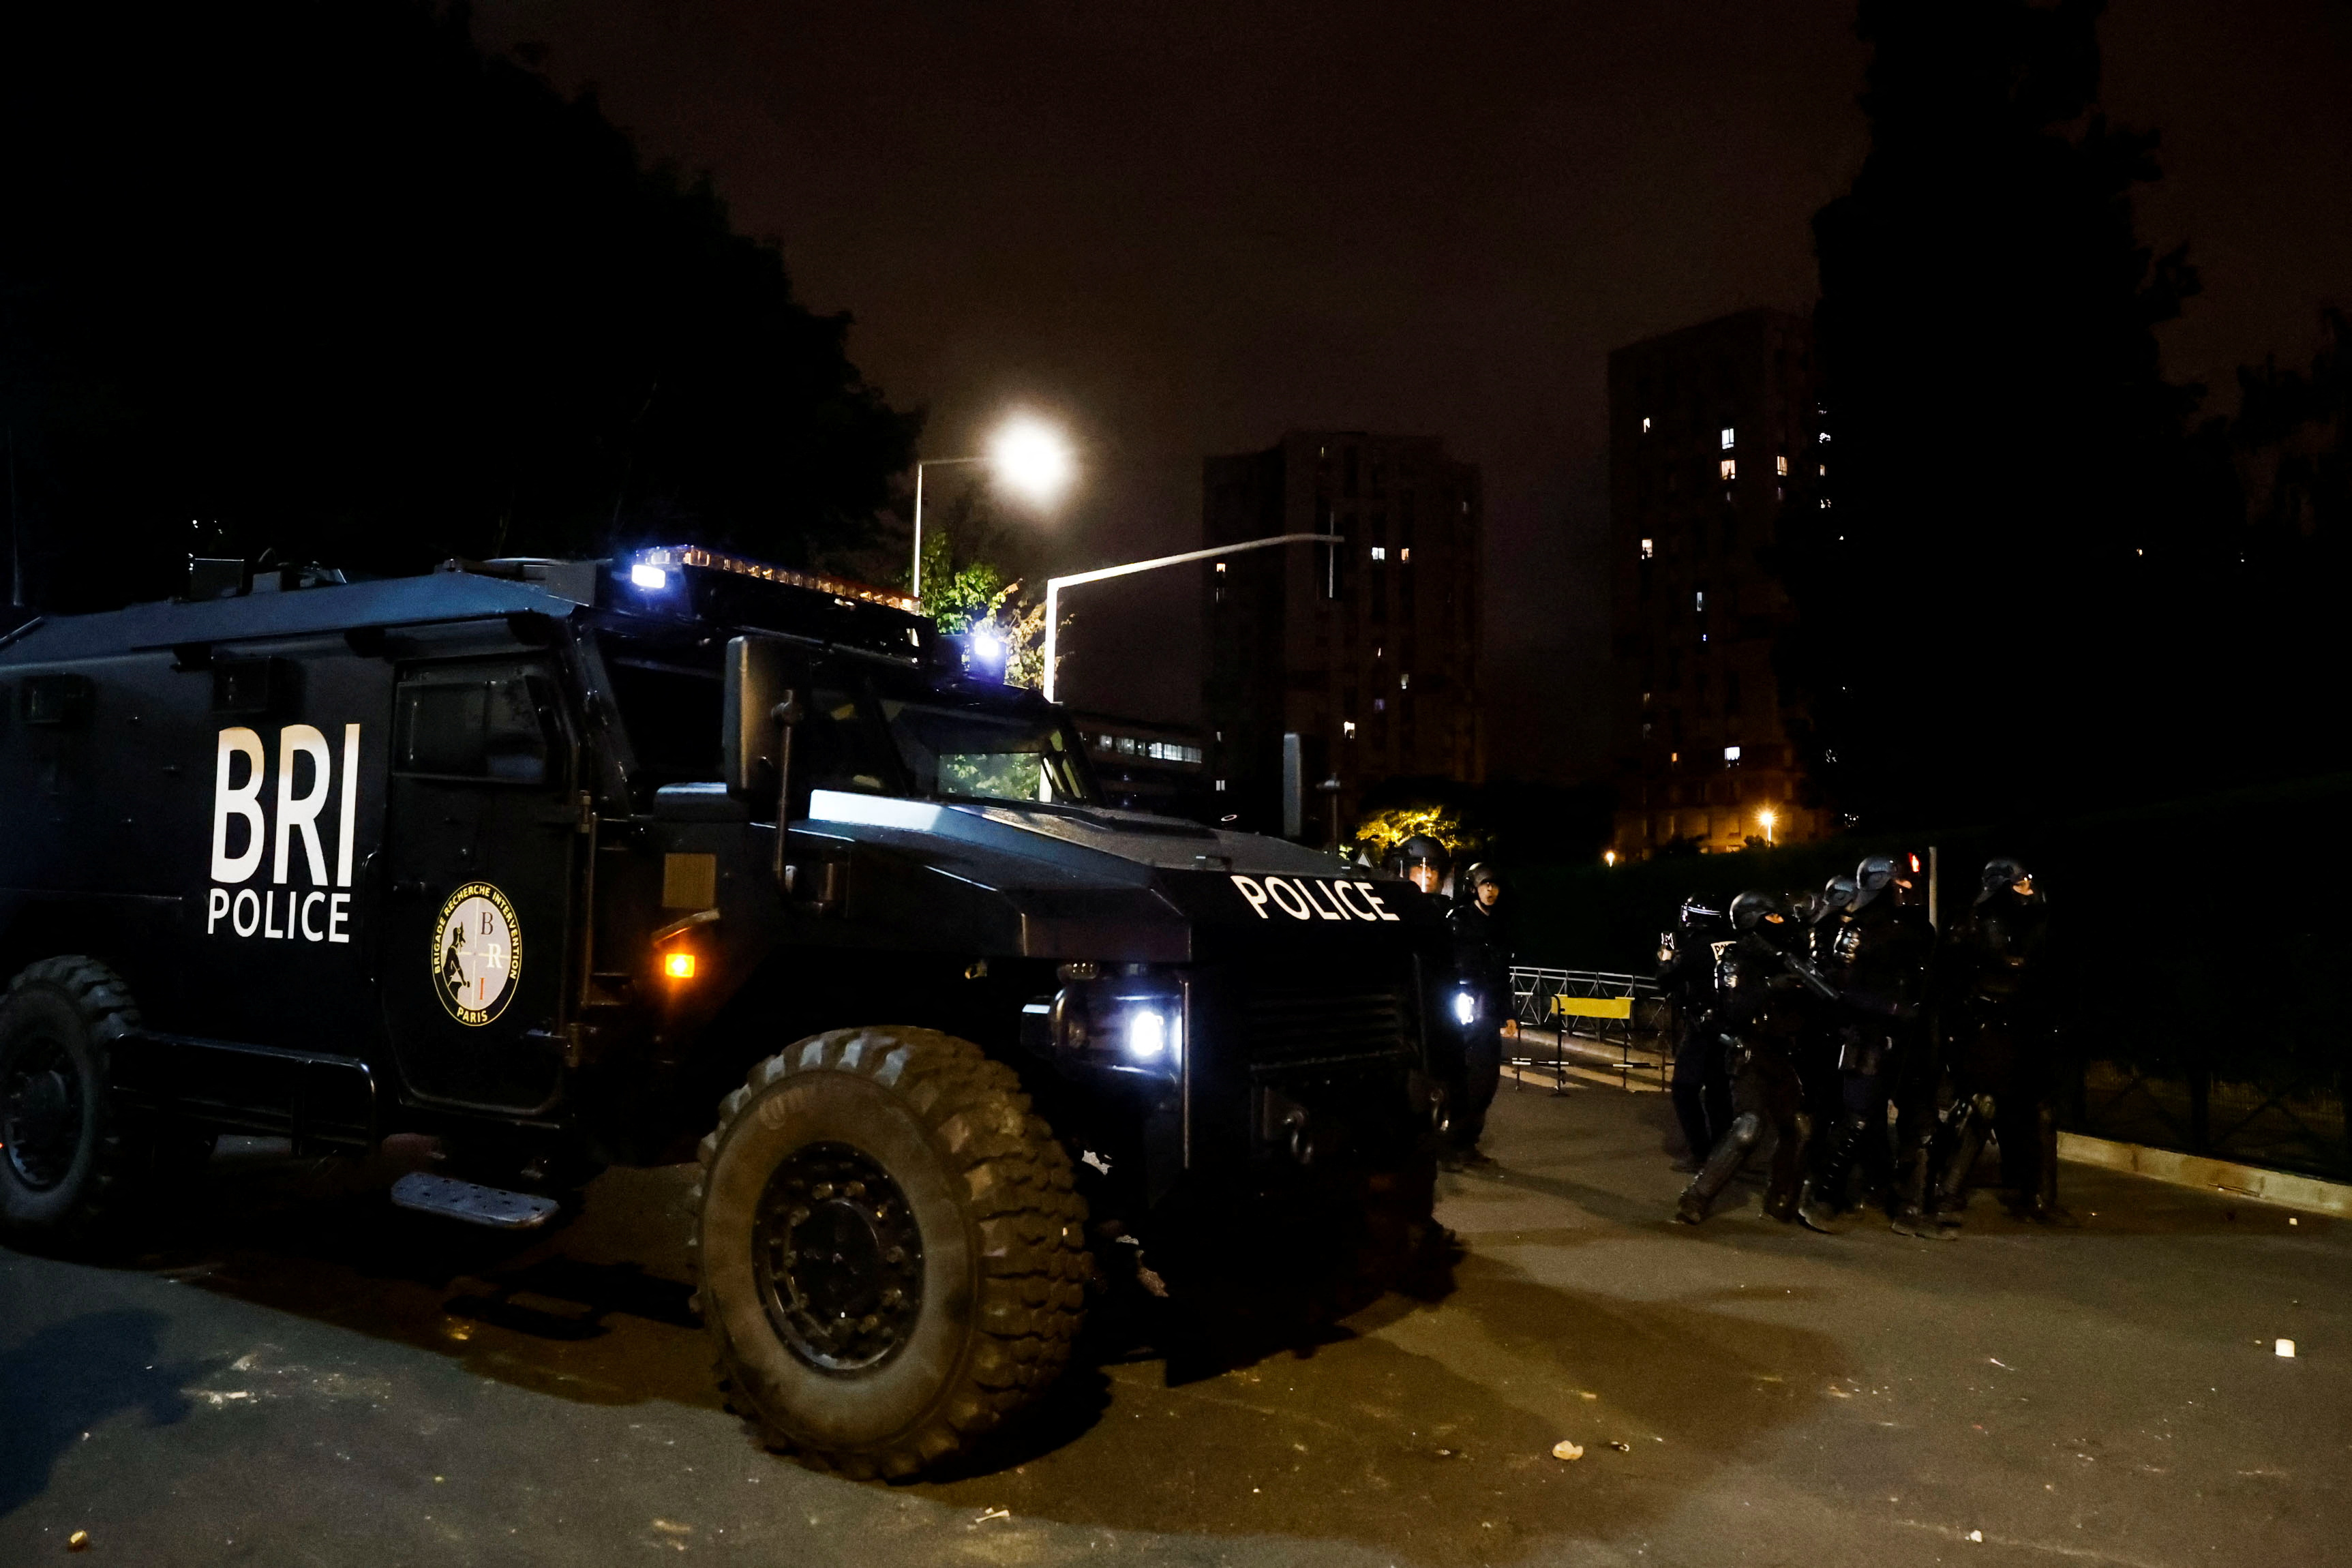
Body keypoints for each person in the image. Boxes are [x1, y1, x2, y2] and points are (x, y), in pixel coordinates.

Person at [1935, 858, 2071, 1226]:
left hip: (2027, 1025)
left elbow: (2048, 975)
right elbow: (1950, 980)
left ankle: (2042, 1199)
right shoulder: (1973, 923)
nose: (2029, 889)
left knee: (2042, 1111)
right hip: (1985, 1027)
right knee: (1984, 1105)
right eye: (2020, 883)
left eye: (2029, 882)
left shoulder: (2039, 924)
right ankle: (1948, 1192)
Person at [1674, 892, 1821, 1228]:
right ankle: (1696, 1197)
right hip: (1751, 1050)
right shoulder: (1736, 959)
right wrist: (1771, 986)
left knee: (1799, 1127)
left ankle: (1781, 1200)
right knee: (1747, 1128)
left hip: (1784, 1054)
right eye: (1771, 916)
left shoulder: (1787, 955)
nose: (1779, 922)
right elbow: (1734, 1009)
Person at [1442, 862, 1511, 1167]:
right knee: (1465, 1077)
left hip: (1489, 1008)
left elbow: (1502, 973)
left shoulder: (1498, 923)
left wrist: (1508, 1012)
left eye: (1494, 886)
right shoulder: (1458, 920)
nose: (1490, 891)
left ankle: (1467, 1143)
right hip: (1464, 1005)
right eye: (1485, 885)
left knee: (1488, 1079)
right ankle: (1452, 1144)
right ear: (1473, 888)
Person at [1658, 895, 1733, 1172]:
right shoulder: (1731, 943)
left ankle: (1701, 1152)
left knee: (1684, 1088)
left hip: (1702, 1027)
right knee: (1718, 1091)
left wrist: (1666, 960)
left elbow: (1665, 982)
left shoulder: (1694, 949)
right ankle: (1725, 1152)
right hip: (1728, 1025)